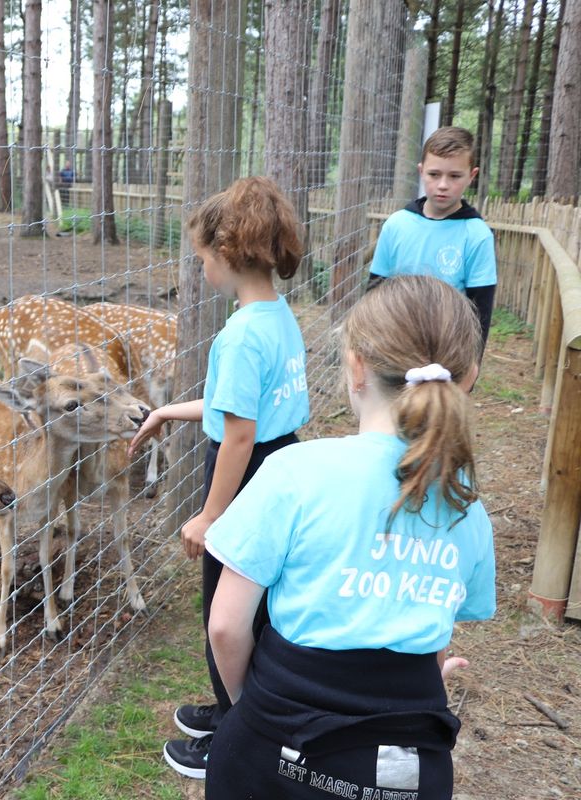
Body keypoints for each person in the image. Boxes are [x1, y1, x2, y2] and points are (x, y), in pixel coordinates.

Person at [202, 274, 495, 800]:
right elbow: (431, 627)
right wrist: (418, 688)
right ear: (468, 375)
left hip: (273, 747)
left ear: (356, 366)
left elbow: (225, 625)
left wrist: (253, 707)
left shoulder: (294, 472)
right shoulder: (466, 506)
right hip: (407, 766)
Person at [128, 175, 309, 781]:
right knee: (259, 607)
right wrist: (166, 411)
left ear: (227, 254)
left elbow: (236, 434)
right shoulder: (278, 318)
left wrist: (209, 516)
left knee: (227, 611)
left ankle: (240, 734)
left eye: (201, 257)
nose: (200, 268)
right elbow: (241, 408)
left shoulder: (237, 336)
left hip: (243, 475)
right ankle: (235, 705)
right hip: (279, 462)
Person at [369, 126, 497, 350]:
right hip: (393, 344)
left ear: (472, 176)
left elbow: (481, 310)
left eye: (455, 176)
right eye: (434, 174)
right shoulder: (396, 224)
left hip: (448, 349)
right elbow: (374, 291)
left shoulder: (477, 235)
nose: (443, 185)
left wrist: (471, 368)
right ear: (421, 171)